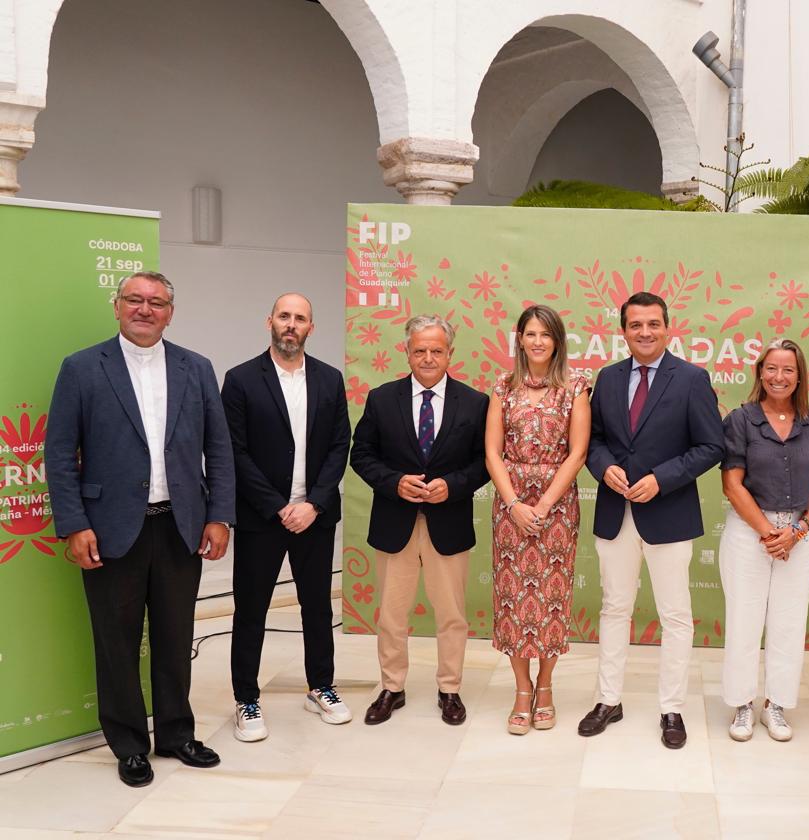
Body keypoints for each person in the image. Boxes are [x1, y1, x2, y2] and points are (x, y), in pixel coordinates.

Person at [45, 271, 235, 787]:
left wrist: (220, 515)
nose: (145, 309)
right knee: (116, 643)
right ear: (117, 306)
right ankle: (129, 744)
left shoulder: (196, 368)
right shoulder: (82, 368)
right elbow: (60, 455)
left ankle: (176, 734)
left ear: (171, 312)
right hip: (108, 531)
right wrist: (73, 525)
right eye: (135, 299)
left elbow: (218, 450)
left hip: (180, 527)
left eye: (157, 302)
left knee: (176, 639)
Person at [577, 291, 725, 749]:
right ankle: (608, 699)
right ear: (622, 330)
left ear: (668, 327)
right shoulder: (607, 377)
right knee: (614, 609)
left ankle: (672, 708)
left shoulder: (692, 379)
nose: (645, 332)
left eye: (653, 324)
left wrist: (662, 479)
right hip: (615, 513)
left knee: (676, 615)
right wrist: (605, 468)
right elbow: (595, 440)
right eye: (636, 324)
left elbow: (711, 446)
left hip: (669, 513)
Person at [221, 293, 351, 742]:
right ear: (269, 322)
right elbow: (233, 451)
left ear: (311, 327)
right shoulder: (239, 380)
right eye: (284, 316)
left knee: (317, 606)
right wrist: (278, 506)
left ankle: (322, 686)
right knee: (251, 609)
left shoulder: (331, 380)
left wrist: (312, 503)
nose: (291, 324)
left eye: (300, 318)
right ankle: (246, 699)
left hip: (315, 515)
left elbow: (340, 446)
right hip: (263, 518)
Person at [349, 314, 489, 727]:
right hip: (396, 525)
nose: (428, 358)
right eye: (420, 350)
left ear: (450, 354)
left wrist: (454, 485)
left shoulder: (475, 402)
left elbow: (485, 462)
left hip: (449, 524)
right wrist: (394, 483)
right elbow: (362, 455)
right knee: (391, 616)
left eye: (436, 350)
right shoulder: (381, 398)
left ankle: (450, 689)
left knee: (452, 616)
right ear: (407, 352)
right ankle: (392, 687)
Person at [719, 338, 809, 742]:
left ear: (800, 376)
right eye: (771, 368)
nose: (778, 377)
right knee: (744, 620)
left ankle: (777, 705)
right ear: (759, 373)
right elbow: (732, 484)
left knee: (788, 621)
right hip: (750, 533)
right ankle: (743, 705)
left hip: (801, 534)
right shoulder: (741, 420)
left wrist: (797, 531)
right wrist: (769, 534)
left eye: (787, 370)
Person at [485, 305, 590, 735]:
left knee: (549, 599)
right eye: (530, 333)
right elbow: (493, 452)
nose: (538, 341)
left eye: (546, 334)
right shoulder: (502, 388)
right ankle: (521, 689)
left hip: (557, 508)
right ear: (520, 339)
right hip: (510, 508)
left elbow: (578, 452)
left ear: (558, 340)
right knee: (513, 599)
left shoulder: (576, 388)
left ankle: (546, 686)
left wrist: (544, 505)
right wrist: (513, 504)